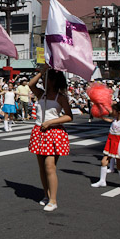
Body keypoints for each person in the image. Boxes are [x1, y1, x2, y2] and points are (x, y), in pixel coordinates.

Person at [27, 65, 72, 212]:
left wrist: (51, 122)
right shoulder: (41, 94)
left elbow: (69, 116)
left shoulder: (61, 98)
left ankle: (53, 200)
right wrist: (42, 71)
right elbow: (30, 84)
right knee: (42, 167)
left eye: (47, 78)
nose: (44, 80)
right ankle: (46, 194)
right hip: (39, 131)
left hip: (54, 132)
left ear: (53, 81)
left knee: (50, 166)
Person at [90, 103, 120, 190]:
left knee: (119, 165)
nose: (112, 112)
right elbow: (110, 121)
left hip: (118, 144)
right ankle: (102, 180)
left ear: (119, 112)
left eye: (114, 110)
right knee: (104, 161)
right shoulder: (115, 119)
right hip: (111, 142)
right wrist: (102, 117)